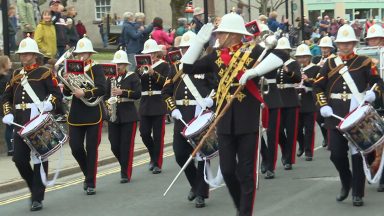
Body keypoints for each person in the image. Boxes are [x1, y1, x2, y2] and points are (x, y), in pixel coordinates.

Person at [181, 13, 290, 215]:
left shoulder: (252, 52)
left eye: (221, 33)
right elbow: (186, 67)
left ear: (232, 35)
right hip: (224, 117)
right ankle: (242, 206)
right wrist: (198, 42)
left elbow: (283, 56)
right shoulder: (215, 56)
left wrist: (254, 72)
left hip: (247, 118)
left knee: (246, 171)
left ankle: (244, 212)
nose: (218, 37)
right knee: (229, 170)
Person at [313, 24, 382, 206]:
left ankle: (357, 193)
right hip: (334, 114)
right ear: (337, 44)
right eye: (342, 43)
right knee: (336, 154)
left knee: (357, 155)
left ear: (354, 43)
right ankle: (346, 181)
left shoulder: (365, 62)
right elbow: (318, 86)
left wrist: (374, 93)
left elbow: (378, 83)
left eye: (348, 43)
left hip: (356, 115)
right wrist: (323, 105)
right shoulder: (328, 63)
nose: (345, 46)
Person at [1, 36, 62, 211]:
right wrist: (8, 113)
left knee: (40, 158)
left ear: (35, 55)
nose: (24, 57)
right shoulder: (15, 74)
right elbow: (6, 97)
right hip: (20, 122)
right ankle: (34, 185)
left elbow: (56, 94)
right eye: (22, 54)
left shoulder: (44, 72)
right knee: (19, 159)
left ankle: (37, 197)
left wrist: (49, 103)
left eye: (28, 54)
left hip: (38, 121)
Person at [162, 30, 216, 208]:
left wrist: (211, 101)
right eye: (183, 48)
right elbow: (166, 91)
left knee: (202, 155)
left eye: (189, 48)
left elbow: (219, 88)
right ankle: (195, 184)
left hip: (199, 114)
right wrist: (172, 109)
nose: (185, 51)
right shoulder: (176, 68)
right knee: (180, 154)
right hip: (180, 115)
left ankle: (201, 193)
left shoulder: (206, 66)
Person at [63, 36, 106, 195]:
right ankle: (88, 173)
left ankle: (91, 182)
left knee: (91, 148)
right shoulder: (72, 68)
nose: (81, 56)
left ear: (90, 54)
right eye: (79, 53)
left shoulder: (96, 68)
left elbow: (102, 89)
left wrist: (85, 92)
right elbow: (67, 93)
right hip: (76, 113)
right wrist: (68, 82)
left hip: (93, 112)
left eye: (84, 53)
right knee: (75, 148)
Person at [105, 49, 141, 183]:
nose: (118, 66)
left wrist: (122, 92)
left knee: (126, 145)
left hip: (128, 115)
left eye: (120, 64)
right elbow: (105, 95)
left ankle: (125, 173)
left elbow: (137, 94)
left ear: (125, 65)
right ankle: (124, 165)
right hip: (114, 115)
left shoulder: (132, 77)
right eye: (116, 64)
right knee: (114, 145)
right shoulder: (111, 78)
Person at [137, 39, 168, 174]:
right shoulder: (140, 67)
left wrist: (153, 73)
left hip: (158, 102)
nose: (150, 56)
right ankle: (152, 155)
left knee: (158, 136)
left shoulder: (164, 66)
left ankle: (157, 163)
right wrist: (140, 72)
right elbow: (136, 83)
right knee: (144, 133)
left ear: (156, 53)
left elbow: (166, 83)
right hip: (145, 103)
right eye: (147, 54)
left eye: (151, 53)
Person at [275, 37, 301, 170]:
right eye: (280, 50)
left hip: (290, 98)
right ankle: (285, 150)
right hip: (277, 98)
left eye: (285, 50)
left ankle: (289, 159)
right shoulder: (273, 63)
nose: (283, 52)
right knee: (278, 130)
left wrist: (288, 71)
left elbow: (298, 78)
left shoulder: (293, 63)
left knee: (291, 131)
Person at [364, 24, 384, 192]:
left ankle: (383, 177)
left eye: (376, 39)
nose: (373, 42)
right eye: (370, 39)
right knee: (372, 139)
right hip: (372, 102)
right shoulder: (365, 58)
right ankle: (373, 166)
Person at [295, 44, 321, 161]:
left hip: (310, 101)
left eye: (304, 57)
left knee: (309, 128)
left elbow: (318, 85)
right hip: (297, 101)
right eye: (299, 57)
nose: (302, 59)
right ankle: (301, 144)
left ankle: (308, 151)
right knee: (297, 128)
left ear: (309, 57)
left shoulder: (316, 69)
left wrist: (307, 81)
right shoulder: (295, 69)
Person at [312, 36, 336, 148]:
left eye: (326, 48)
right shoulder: (316, 59)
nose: (324, 50)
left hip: (329, 89)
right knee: (318, 116)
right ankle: (325, 136)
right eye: (322, 47)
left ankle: (331, 140)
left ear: (331, 49)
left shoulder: (335, 59)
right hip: (318, 89)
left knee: (330, 117)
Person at [0, 56, 14, 156]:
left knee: (10, 127)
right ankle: (11, 148)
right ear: (4, 64)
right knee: (10, 126)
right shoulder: (6, 78)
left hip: (4, 103)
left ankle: (11, 148)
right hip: (5, 103)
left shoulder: (7, 76)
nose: (11, 62)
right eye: (9, 61)